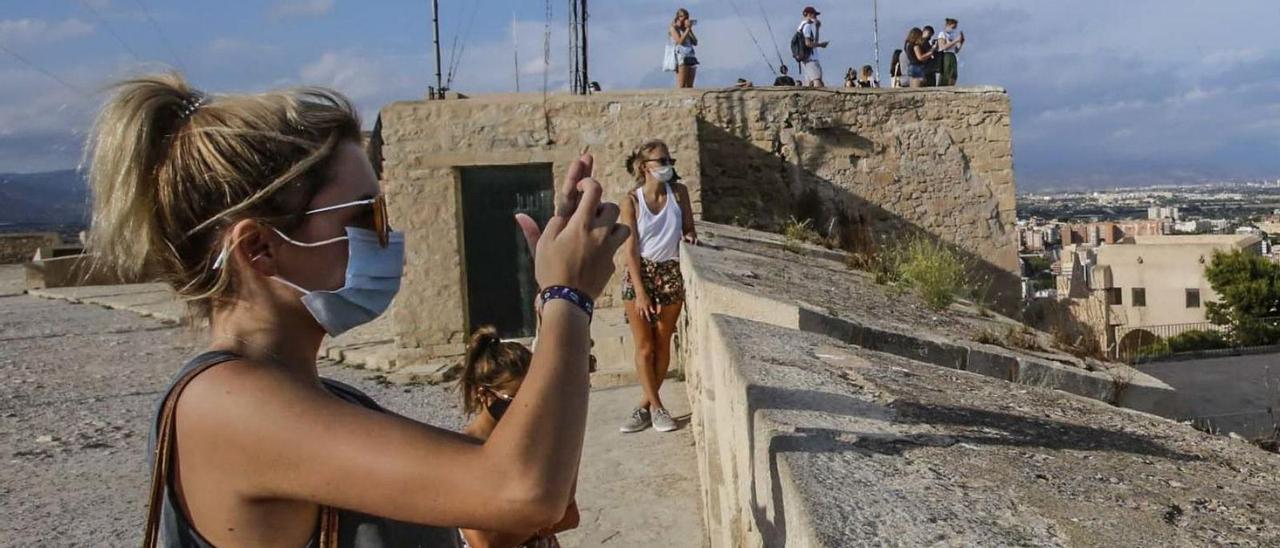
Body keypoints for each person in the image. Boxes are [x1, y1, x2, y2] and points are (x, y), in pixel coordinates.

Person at [87, 73, 627, 547]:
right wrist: (567, 299)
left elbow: (518, 490)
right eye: (365, 216)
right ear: (259, 248)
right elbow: (521, 491)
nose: (385, 235)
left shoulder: (315, 396)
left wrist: (554, 299)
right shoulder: (224, 406)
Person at [457, 327, 580, 548]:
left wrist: (524, 525)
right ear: (484, 394)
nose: (529, 407)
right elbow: (483, 542)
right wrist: (541, 520)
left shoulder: (537, 440)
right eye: (515, 398)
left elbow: (570, 515)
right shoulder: (462, 452)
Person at [619, 140, 697, 434]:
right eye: (661, 160)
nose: (667, 165)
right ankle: (658, 408)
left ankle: (646, 406)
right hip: (641, 274)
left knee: (664, 342)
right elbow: (630, 250)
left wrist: (689, 236)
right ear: (644, 166)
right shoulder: (631, 201)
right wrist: (640, 292)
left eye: (669, 159)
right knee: (645, 346)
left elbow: (689, 227)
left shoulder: (679, 193)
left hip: (670, 272)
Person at [796, 6, 829, 87]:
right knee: (817, 81)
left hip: (806, 59)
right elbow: (808, 44)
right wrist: (821, 45)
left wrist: (817, 29)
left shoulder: (802, 26)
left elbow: (814, 42)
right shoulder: (807, 26)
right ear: (809, 14)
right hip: (811, 59)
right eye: (814, 14)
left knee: (809, 83)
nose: (816, 17)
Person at [670, 9, 699, 88]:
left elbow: (695, 42)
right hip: (681, 57)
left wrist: (690, 30)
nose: (685, 19)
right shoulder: (674, 28)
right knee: (682, 85)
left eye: (686, 17)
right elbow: (680, 41)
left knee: (690, 85)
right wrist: (687, 29)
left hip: (690, 55)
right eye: (683, 17)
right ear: (678, 17)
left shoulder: (685, 29)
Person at [935, 18, 965, 86]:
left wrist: (961, 42)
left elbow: (956, 50)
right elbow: (942, 47)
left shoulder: (952, 35)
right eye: (953, 27)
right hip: (946, 55)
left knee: (953, 74)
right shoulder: (942, 34)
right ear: (948, 25)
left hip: (952, 55)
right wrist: (956, 41)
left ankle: (951, 86)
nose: (954, 29)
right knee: (946, 74)